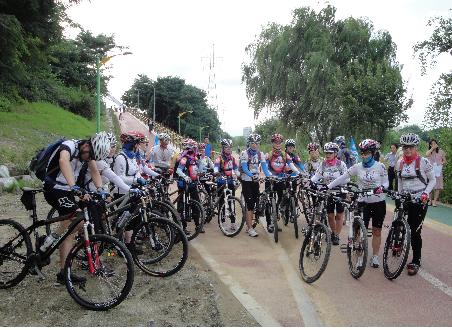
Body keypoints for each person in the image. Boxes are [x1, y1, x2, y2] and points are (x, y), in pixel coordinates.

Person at [43, 132, 110, 284]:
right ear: (86, 145)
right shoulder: (69, 145)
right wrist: (74, 186)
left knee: (70, 230)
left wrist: (101, 190)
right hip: (53, 188)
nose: (88, 159)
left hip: (68, 191)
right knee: (77, 220)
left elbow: (94, 171)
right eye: (89, 155)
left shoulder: (88, 153)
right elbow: (63, 161)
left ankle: (62, 271)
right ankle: (49, 243)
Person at [328, 139, 388, 268]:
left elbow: (386, 183)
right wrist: (328, 186)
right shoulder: (357, 166)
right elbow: (342, 177)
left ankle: (375, 256)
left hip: (378, 202)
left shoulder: (380, 166)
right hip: (363, 203)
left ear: (373, 153)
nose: (364, 155)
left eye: (366, 153)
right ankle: (359, 256)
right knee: (359, 231)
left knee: (377, 231)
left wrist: (381, 188)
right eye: (362, 153)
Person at [112, 131, 160, 253]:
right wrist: (135, 180)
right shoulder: (120, 158)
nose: (138, 146)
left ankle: (129, 244)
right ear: (131, 144)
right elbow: (118, 177)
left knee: (133, 219)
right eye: (137, 144)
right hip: (122, 193)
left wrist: (142, 180)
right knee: (124, 220)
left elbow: (138, 171)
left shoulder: (133, 157)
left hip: (133, 191)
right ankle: (119, 247)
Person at [397, 133, 436, 275]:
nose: (407, 150)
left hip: (420, 200)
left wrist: (425, 193)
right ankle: (397, 244)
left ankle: (416, 260)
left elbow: (433, 180)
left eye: (410, 147)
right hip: (405, 197)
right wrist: (399, 194)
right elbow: (400, 181)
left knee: (414, 231)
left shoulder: (423, 162)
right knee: (398, 222)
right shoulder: (400, 162)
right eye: (405, 147)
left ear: (415, 147)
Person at [311, 142, 348, 245]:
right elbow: (316, 176)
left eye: (330, 153)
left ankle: (336, 235)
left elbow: (347, 179)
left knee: (339, 216)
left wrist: (335, 182)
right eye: (326, 153)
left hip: (340, 191)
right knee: (330, 215)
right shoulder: (323, 164)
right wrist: (310, 182)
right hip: (328, 192)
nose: (327, 155)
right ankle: (333, 232)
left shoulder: (341, 164)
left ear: (335, 153)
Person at [240, 133, 271, 237]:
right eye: (252, 143)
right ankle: (249, 228)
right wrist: (252, 175)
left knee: (255, 203)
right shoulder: (245, 153)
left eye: (256, 143)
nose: (254, 145)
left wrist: (269, 176)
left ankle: (249, 224)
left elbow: (265, 167)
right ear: (249, 143)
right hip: (247, 181)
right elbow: (244, 168)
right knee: (250, 205)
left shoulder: (260, 154)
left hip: (255, 181)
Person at [175, 139, 202, 235]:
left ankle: (198, 224)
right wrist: (185, 177)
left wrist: (200, 162)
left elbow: (198, 170)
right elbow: (178, 170)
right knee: (182, 205)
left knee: (196, 203)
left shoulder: (194, 158)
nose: (196, 149)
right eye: (194, 147)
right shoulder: (184, 158)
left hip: (193, 184)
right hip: (184, 184)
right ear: (190, 148)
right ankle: (182, 226)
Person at [214, 139, 240, 231]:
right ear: (223, 148)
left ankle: (233, 222)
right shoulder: (219, 158)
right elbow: (216, 167)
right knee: (221, 203)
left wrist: (238, 175)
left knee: (231, 201)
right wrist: (216, 172)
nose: (228, 149)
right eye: (226, 147)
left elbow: (236, 169)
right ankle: (222, 221)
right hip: (221, 182)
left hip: (230, 182)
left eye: (230, 147)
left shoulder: (232, 159)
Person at [426, 138, 447, 207]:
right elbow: (426, 155)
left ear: (437, 144)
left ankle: (434, 201)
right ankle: (429, 200)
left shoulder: (441, 152)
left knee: (437, 187)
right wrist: (432, 148)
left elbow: (445, 161)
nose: (433, 145)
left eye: (434, 143)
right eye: (431, 144)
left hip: (438, 171)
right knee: (430, 186)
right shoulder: (429, 151)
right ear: (430, 145)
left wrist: (441, 163)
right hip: (431, 171)